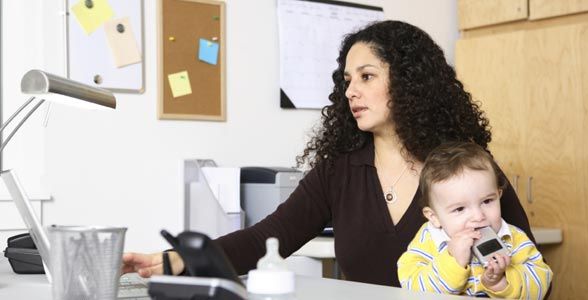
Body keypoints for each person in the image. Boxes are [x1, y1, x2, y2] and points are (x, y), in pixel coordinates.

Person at [122, 20, 535, 287]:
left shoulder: (466, 168)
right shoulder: (338, 171)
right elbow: (265, 239)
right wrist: (175, 261)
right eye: (346, 80)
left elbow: (535, 271)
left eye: (367, 76)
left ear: (411, 83)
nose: (350, 91)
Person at [397, 142, 552, 298]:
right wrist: (453, 261)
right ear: (434, 217)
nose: (478, 217)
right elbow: (413, 288)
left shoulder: (513, 238)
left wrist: (501, 283)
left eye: (487, 201)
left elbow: (541, 281)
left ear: (498, 195)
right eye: (459, 209)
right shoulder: (428, 240)